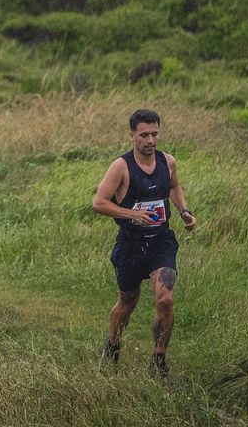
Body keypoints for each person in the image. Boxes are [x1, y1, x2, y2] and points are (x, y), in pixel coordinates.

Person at [91, 108, 198, 376]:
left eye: (155, 134)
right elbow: (99, 203)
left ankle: (159, 362)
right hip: (130, 245)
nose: (150, 140)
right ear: (132, 135)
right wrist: (132, 214)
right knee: (128, 302)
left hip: (161, 242)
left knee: (165, 299)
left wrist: (185, 212)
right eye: (144, 135)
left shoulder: (168, 161)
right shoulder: (121, 166)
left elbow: (174, 186)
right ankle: (113, 345)